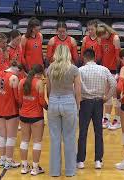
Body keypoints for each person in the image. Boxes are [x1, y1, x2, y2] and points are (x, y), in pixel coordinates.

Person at [77, 49, 116, 170]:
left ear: (84, 57)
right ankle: (98, 160)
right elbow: (114, 84)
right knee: (98, 132)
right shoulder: (104, 69)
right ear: (95, 57)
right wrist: (107, 97)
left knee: (83, 132)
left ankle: (80, 161)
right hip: (99, 102)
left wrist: (77, 102)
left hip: (85, 102)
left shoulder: (80, 70)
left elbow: (76, 87)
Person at [46, 45, 81, 177]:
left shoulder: (50, 68)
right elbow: (78, 91)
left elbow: (48, 90)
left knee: (55, 139)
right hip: (68, 102)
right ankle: (70, 171)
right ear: (68, 54)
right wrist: (77, 106)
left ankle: (55, 171)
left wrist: (51, 102)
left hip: (54, 101)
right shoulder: (73, 69)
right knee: (69, 138)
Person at [18, 64, 47, 176]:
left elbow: (20, 101)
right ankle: (35, 168)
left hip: (24, 115)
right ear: (39, 74)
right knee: (37, 142)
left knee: (24, 141)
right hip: (36, 116)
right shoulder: (39, 83)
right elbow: (41, 101)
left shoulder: (21, 82)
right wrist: (49, 108)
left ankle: (24, 166)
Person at [0, 60, 21, 169]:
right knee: (11, 136)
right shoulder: (14, 78)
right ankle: (9, 161)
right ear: (17, 69)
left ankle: (2, 159)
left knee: (2, 135)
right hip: (11, 110)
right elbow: (17, 97)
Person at [96, 23, 121, 130]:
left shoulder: (115, 38)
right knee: (106, 95)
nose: (102, 38)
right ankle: (106, 117)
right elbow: (101, 56)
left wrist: (118, 72)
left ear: (107, 32)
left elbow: (118, 57)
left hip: (114, 70)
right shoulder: (101, 39)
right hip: (105, 70)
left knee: (115, 96)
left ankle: (118, 119)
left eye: (103, 35)